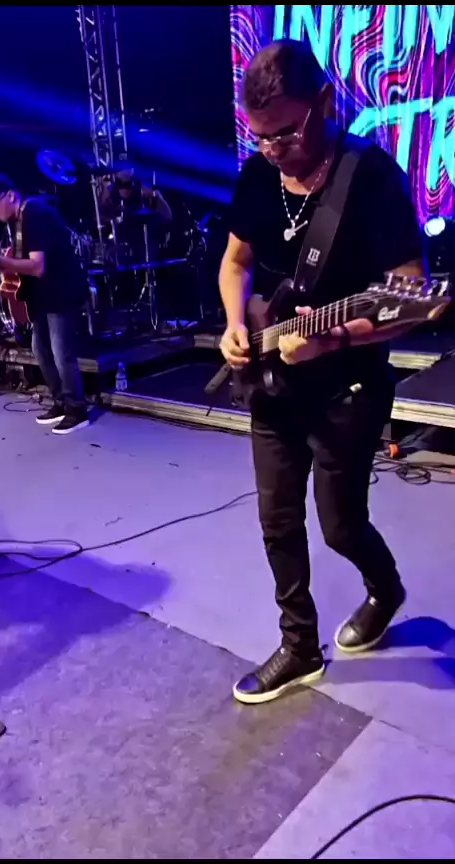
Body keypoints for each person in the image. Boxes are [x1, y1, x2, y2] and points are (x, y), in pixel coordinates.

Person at [219, 40, 425, 705]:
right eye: (260, 136)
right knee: (277, 521)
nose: (273, 149)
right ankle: (299, 645)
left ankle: (385, 588)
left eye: (285, 132)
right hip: (272, 385)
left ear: (326, 103)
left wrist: (331, 338)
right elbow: (235, 263)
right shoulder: (258, 176)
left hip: (348, 388)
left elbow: (409, 298)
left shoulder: (372, 178)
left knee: (340, 526)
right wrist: (234, 323)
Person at [0, 173, 89, 434]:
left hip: (60, 290)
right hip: (43, 294)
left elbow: (37, 267)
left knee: (61, 352)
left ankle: (77, 409)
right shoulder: (17, 220)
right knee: (40, 349)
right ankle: (61, 401)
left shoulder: (35, 213)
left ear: (11, 196)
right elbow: (17, 265)